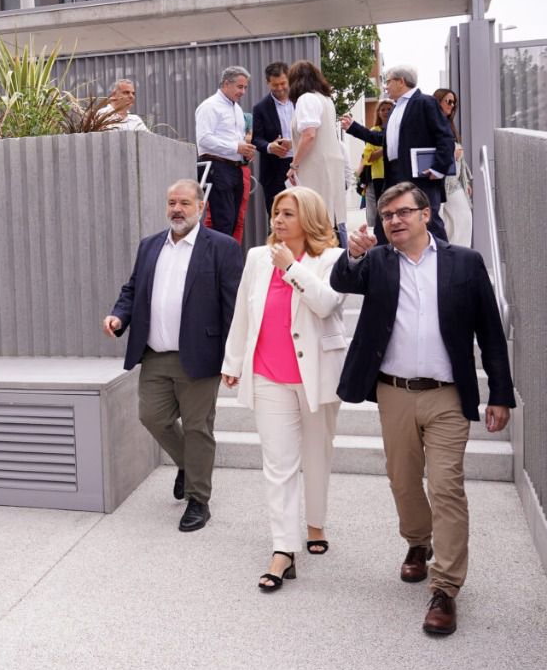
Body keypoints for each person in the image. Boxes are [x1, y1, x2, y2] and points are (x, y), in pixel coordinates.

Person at [330, 181, 516, 636]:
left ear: (425, 214)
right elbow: (341, 281)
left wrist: (501, 393)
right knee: (402, 478)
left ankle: (446, 588)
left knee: (448, 485)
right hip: (393, 392)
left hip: (448, 395)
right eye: (387, 214)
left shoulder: (465, 264)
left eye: (401, 212)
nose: (392, 220)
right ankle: (418, 541)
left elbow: (490, 332)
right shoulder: (376, 261)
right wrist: (352, 253)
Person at [221, 187, 346, 591]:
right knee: (278, 465)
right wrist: (234, 361)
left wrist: (292, 267)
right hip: (267, 375)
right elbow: (243, 308)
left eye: (288, 213)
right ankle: (282, 549)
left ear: (308, 218)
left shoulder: (331, 258)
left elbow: (326, 304)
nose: (277, 219)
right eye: (276, 212)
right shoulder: (257, 258)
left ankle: (315, 523)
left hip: (316, 376)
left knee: (316, 454)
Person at [103, 179, 243, 532]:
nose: (176, 209)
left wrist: (234, 357)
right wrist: (120, 316)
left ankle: (198, 500)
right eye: (171, 203)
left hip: (200, 355)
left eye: (184, 202)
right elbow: (133, 289)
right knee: (152, 417)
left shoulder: (222, 247)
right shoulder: (150, 246)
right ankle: (187, 464)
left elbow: (235, 306)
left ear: (200, 206)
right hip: (155, 354)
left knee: (198, 428)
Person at [341, 65, 456, 243]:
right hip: (394, 175)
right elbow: (383, 138)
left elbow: (445, 136)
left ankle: (446, 263)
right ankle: (382, 263)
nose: (385, 87)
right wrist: (353, 128)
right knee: (386, 219)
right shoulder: (396, 109)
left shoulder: (425, 102)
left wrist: (439, 168)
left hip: (420, 177)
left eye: (387, 81)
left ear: (401, 81)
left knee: (427, 222)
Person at [285, 61, 348, 237]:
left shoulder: (306, 99)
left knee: (315, 215)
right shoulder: (326, 99)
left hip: (315, 165)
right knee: (333, 215)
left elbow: (309, 135)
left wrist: (294, 165)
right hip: (331, 162)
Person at [195, 66, 256, 238]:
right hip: (217, 167)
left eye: (245, 87)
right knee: (223, 221)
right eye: (240, 87)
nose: (243, 92)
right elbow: (204, 139)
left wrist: (246, 151)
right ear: (226, 84)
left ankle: (225, 261)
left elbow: (235, 139)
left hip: (234, 168)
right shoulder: (209, 106)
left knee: (234, 221)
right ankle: (217, 263)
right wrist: (236, 147)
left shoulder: (236, 109)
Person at [251, 62, 295, 220]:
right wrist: (270, 146)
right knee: (277, 216)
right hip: (274, 170)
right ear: (267, 83)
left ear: (289, 80)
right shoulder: (260, 108)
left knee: (304, 213)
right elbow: (256, 138)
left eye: (283, 83)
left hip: (300, 164)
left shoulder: (301, 101)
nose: (280, 88)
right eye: (275, 85)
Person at [432, 88, 473, 246]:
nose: (451, 105)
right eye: (448, 101)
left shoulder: (448, 125)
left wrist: (466, 182)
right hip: (437, 179)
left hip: (453, 180)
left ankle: (461, 254)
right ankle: (449, 254)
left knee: (463, 217)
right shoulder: (431, 123)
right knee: (443, 220)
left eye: (453, 103)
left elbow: (460, 161)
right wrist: (450, 152)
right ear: (438, 101)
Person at [356, 99, 394, 228]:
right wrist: (386, 148)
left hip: (395, 177)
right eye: (382, 109)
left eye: (389, 109)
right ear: (378, 113)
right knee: (376, 215)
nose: (386, 112)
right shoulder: (374, 131)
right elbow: (368, 157)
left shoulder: (399, 129)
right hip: (377, 178)